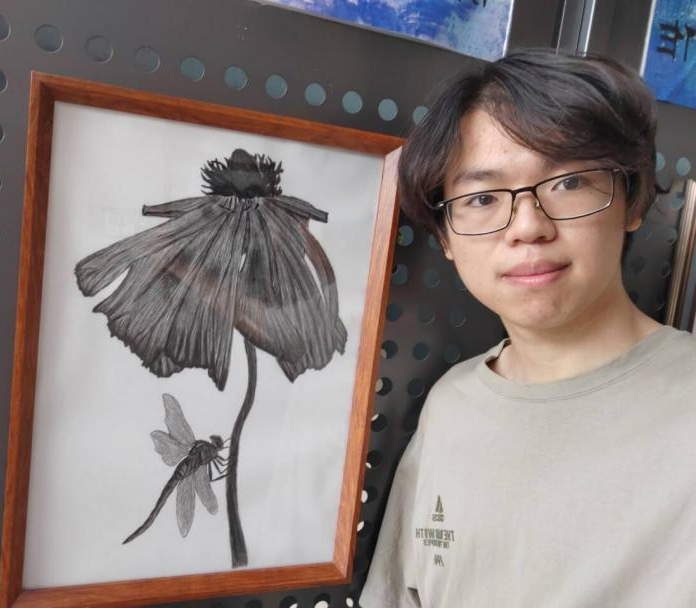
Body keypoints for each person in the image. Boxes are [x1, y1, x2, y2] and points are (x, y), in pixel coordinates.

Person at [358, 47, 696, 608]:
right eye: (482, 197)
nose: (527, 227)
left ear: (632, 199)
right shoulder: (453, 406)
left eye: (568, 183)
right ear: (445, 236)